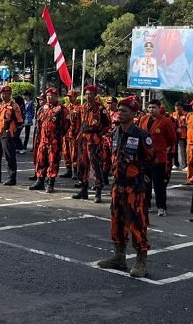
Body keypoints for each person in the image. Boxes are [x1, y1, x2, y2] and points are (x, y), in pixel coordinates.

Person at [97, 97, 153, 278]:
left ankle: (140, 261)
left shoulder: (141, 135)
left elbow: (152, 159)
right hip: (118, 185)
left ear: (134, 114)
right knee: (117, 221)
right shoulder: (115, 133)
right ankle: (119, 256)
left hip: (134, 188)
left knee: (136, 223)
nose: (120, 113)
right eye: (119, 110)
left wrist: (143, 178)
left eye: (125, 111)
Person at [139, 100, 178, 216]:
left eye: (154, 107)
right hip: (145, 156)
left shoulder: (165, 121)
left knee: (159, 184)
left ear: (159, 108)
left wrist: (163, 147)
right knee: (145, 182)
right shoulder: (143, 119)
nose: (151, 110)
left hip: (159, 157)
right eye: (150, 107)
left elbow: (172, 138)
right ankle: (146, 204)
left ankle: (161, 207)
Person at [72, 85, 110, 202]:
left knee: (96, 165)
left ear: (95, 95)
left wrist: (99, 134)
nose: (88, 96)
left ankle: (98, 191)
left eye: (91, 94)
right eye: (87, 94)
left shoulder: (100, 109)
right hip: (83, 139)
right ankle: (84, 189)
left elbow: (107, 124)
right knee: (82, 165)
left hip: (94, 140)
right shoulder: (83, 107)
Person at [31, 87, 68, 193]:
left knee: (53, 162)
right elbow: (39, 124)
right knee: (41, 160)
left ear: (56, 97)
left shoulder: (61, 109)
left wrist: (59, 135)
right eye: (47, 95)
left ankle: (50, 183)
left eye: (51, 95)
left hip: (54, 141)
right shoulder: (43, 108)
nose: (49, 97)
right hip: (43, 140)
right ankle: (40, 181)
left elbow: (66, 124)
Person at [0, 85, 23, 186]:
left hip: (8, 133)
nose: (2, 95)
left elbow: (20, 121)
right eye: (1, 93)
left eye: (5, 93)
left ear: (9, 94)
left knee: (9, 157)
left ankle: (12, 178)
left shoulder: (14, 106)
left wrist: (12, 130)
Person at [62, 89, 81, 179]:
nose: (69, 98)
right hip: (66, 134)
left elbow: (82, 122)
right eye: (68, 97)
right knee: (66, 153)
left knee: (74, 153)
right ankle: (68, 170)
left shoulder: (79, 108)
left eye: (71, 96)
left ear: (75, 97)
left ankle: (75, 171)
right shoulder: (66, 107)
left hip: (74, 134)